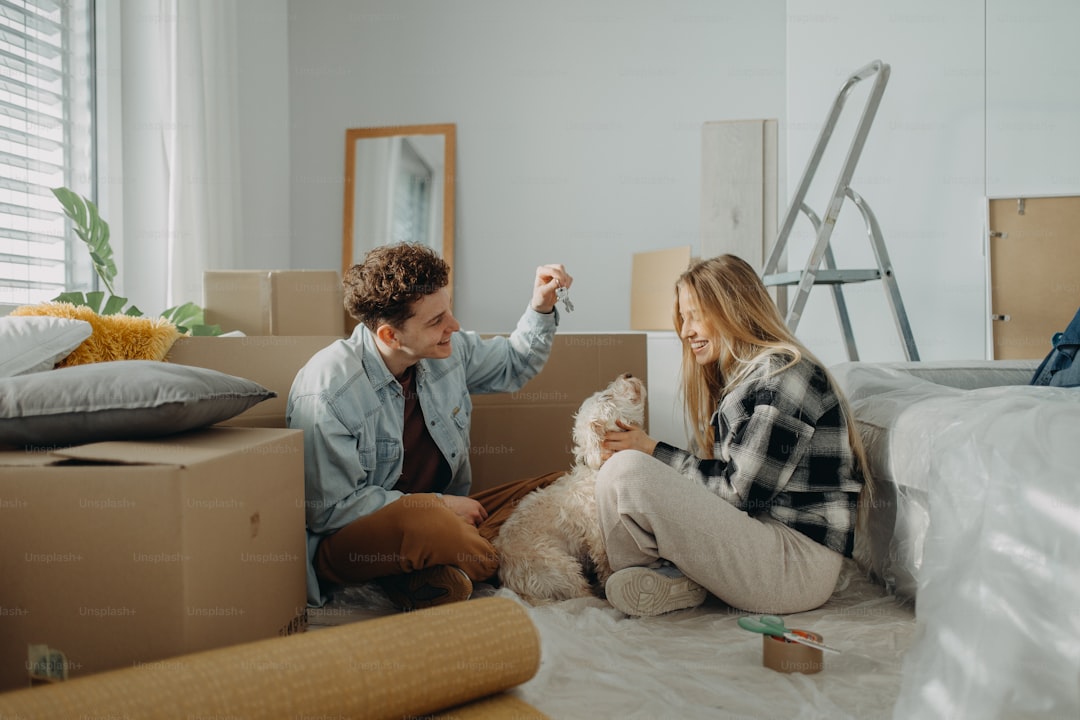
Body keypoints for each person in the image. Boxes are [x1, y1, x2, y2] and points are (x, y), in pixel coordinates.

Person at [287, 242, 572, 610]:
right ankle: (503, 559)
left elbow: (514, 364)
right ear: (391, 336)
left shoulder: (444, 352)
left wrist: (541, 305)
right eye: (436, 321)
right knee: (431, 526)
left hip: (448, 515)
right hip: (356, 540)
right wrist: (439, 506)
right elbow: (330, 510)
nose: (453, 326)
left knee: (557, 488)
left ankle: (433, 574)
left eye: (448, 311)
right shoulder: (329, 390)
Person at [597, 254, 869, 617]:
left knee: (628, 471)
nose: (685, 330)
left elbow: (740, 494)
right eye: (682, 317)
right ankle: (663, 578)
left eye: (694, 315)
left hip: (795, 565)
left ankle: (657, 571)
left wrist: (650, 450)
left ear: (733, 309)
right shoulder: (744, 381)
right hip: (763, 542)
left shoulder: (785, 376)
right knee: (615, 471)